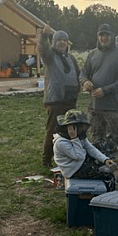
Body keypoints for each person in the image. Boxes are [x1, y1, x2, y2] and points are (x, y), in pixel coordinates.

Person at [79, 24, 118, 185]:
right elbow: (83, 72)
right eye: (101, 35)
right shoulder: (93, 54)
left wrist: (105, 90)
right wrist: (85, 81)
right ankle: (102, 166)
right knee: (97, 138)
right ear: (98, 37)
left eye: (107, 35)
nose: (104, 38)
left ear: (112, 36)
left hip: (113, 106)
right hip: (95, 105)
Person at [39, 30, 81, 169]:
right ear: (54, 42)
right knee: (53, 130)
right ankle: (46, 159)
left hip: (71, 99)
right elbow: (42, 49)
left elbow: (78, 75)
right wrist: (44, 36)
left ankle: (66, 157)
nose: (62, 42)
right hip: (55, 99)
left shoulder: (71, 58)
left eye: (64, 40)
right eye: (58, 40)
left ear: (67, 43)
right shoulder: (50, 56)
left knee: (69, 130)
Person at [52, 110, 117, 190]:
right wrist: (74, 138)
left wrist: (105, 160)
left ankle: (98, 168)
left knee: (101, 146)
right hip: (73, 170)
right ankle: (105, 194)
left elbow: (90, 148)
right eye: (81, 126)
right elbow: (79, 156)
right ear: (72, 127)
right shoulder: (61, 143)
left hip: (80, 163)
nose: (83, 129)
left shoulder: (80, 136)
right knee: (108, 177)